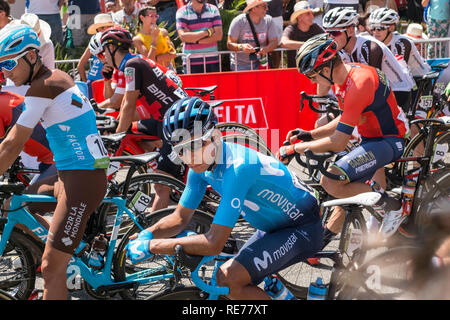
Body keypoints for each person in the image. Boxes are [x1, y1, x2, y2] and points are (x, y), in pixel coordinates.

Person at [124, 96, 323, 300]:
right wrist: (148, 234)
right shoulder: (200, 168)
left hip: (303, 228)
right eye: (180, 150)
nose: (189, 157)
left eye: (194, 145)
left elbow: (214, 242)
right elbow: (180, 218)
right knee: (223, 279)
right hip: (273, 229)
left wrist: (153, 246)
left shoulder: (239, 168)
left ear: (216, 136)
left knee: (229, 279)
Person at [0, 24, 108, 299]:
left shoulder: (44, 87)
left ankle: (63, 254)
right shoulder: (55, 77)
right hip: (68, 175)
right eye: (2, 66)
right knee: (13, 207)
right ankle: (74, 247)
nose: (6, 72)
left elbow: (13, 143)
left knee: (49, 269)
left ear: (32, 57)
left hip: (82, 180)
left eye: (10, 63)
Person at [278, 34, 409, 240]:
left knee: (330, 181)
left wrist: (295, 149)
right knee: (340, 184)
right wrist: (310, 134)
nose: (312, 82)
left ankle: (393, 208)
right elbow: (344, 118)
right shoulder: (345, 79)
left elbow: (338, 143)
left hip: (388, 141)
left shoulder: (359, 84)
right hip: (371, 140)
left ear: (326, 68)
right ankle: (372, 203)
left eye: (312, 76)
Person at [100, 27, 187, 212]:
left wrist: (117, 137)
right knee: (133, 132)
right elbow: (121, 104)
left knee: (161, 188)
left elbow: (128, 105)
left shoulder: (132, 65)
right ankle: (158, 168)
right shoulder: (132, 64)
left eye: (103, 51)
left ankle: (150, 234)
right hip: (167, 121)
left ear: (111, 48)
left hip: (178, 125)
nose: (103, 56)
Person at [322, 7, 415, 114]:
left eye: (335, 33)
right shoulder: (340, 50)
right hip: (376, 94)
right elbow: (323, 91)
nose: (330, 38)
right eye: (327, 33)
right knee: (323, 122)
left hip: (397, 91)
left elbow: (372, 86)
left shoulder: (370, 48)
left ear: (350, 30)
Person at [368, 7, 431, 78]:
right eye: (373, 27)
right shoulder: (372, 42)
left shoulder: (401, 43)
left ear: (391, 28)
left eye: (380, 28)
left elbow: (400, 72)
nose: (375, 32)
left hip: (419, 78)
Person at [227, 0, 278, 71]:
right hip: (240, 66)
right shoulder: (239, 21)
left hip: (261, 64)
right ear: (254, 8)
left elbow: (274, 42)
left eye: (267, 6)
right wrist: (241, 47)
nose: (267, 9)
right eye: (264, 6)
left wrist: (266, 49)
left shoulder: (268, 20)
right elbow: (229, 44)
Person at [176, 0, 223, 74]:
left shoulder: (213, 9)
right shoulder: (182, 12)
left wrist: (194, 39)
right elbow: (183, 37)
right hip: (190, 61)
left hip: (212, 60)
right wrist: (207, 32)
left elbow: (218, 36)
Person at [77, 13, 117, 99]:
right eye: (103, 27)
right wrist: (86, 83)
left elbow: (80, 65)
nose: (106, 29)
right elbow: (80, 65)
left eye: (108, 26)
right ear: (97, 30)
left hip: (106, 82)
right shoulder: (93, 43)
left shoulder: (116, 42)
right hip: (97, 83)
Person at [280, 1, 325, 68]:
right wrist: (307, 45)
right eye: (308, 14)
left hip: (313, 72)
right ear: (299, 17)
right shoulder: (291, 29)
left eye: (312, 13)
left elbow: (328, 39)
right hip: (294, 72)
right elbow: (283, 43)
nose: (312, 16)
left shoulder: (315, 27)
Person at [134, 5, 177, 70]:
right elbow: (149, 61)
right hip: (153, 72)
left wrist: (158, 58)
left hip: (169, 70)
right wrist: (154, 39)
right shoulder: (138, 39)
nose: (155, 19)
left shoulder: (163, 32)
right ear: (142, 18)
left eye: (156, 16)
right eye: (151, 16)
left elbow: (173, 53)